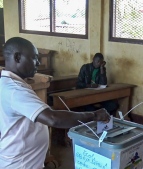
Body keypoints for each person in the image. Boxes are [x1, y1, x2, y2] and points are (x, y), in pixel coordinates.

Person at [0, 37, 110, 169]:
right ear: (17, 57)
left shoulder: (8, 84)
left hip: (26, 160)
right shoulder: (15, 90)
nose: (38, 62)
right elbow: (53, 118)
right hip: (21, 164)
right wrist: (94, 115)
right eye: (34, 57)